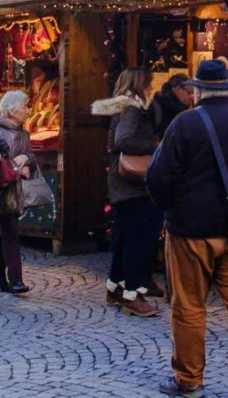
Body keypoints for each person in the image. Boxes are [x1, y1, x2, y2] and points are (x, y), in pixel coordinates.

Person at [146, 59, 228, 398]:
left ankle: (189, 381)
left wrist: (173, 208)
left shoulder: (184, 124)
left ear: (197, 91)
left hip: (190, 230)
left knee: (189, 306)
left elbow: (158, 178)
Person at [92, 68, 165, 318]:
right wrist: (154, 145)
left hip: (123, 187)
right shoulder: (133, 109)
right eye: (148, 85)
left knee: (124, 238)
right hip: (134, 187)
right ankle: (133, 294)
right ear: (138, 86)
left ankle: (115, 287)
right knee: (140, 240)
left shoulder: (123, 107)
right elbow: (124, 141)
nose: (152, 89)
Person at [0, 90, 32, 296]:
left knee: (5, 232)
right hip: (1, 189)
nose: (27, 110)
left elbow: (29, 155)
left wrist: (26, 158)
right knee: (11, 232)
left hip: (17, 189)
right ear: (12, 110)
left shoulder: (23, 133)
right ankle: (15, 280)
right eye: (24, 106)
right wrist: (17, 168)